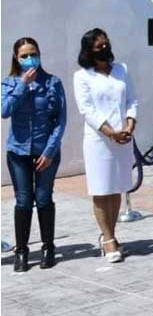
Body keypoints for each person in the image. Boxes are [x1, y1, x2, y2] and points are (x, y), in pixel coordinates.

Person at [2, 37, 67, 271]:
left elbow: (60, 120)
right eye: (25, 55)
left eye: (34, 54)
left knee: (43, 198)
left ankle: (48, 247)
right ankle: (21, 251)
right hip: (18, 151)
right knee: (23, 200)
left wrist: (50, 151)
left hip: (45, 151)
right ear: (17, 59)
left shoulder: (52, 82)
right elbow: (4, 111)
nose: (30, 59)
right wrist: (21, 85)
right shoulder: (9, 83)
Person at [73, 28, 137, 263]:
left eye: (106, 44)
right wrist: (110, 132)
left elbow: (132, 100)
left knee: (116, 187)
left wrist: (130, 125)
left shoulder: (121, 69)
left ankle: (111, 234)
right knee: (101, 190)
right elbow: (86, 110)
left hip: (123, 137)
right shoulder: (82, 76)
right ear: (89, 50)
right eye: (99, 46)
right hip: (99, 139)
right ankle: (108, 239)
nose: (104, 48)